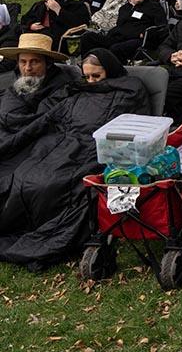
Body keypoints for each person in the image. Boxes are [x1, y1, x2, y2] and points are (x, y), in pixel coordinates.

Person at [0, 48, 148, 270]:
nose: (91, 82)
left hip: (93, 148)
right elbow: (49, 115)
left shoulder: (128, 91)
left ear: (111, 72)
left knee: (47, 184)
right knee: (18, 174)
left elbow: (129, 128)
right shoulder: (75, 89)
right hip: (59, 142)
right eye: (86, 76)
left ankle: (33, 232)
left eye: (97, 77)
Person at [0, 34, 80, 147]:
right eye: (23, 62)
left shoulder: (62, 86)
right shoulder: (15, 83)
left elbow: (45, 122)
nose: (27, 68)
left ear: (47, 64)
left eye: (34, 62)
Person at [78, 0, 166, 63]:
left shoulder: (154, 7)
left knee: (115, 48)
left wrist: (147, 33)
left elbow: (161, 26)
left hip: (140, 39)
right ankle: (87, 65)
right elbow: (120, 26)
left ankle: (117, 71)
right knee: (87, 37)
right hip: (119, 37)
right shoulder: (124, 8)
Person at [20, 0, 91, 51]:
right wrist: (30, 25)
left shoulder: (76, 7)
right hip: (35, 33)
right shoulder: (40, 5)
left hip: (56, 38)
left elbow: (79, 24)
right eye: (46, 0)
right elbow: (25, 19)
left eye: (51, 2)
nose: (47, 4)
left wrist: (58, 11)